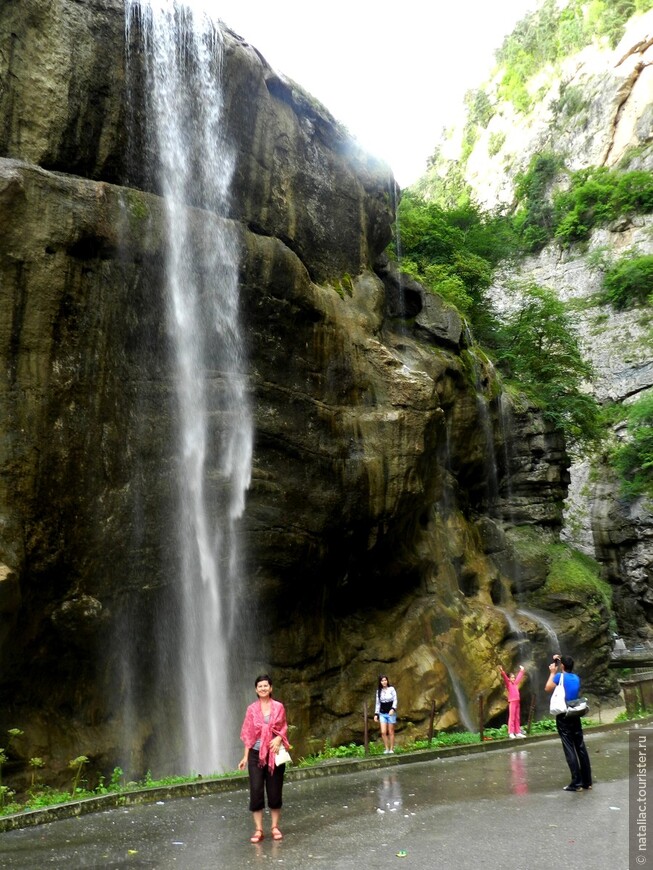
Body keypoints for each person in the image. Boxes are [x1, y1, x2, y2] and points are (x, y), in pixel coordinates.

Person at [238, 674, 290, 843]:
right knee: (256, 790)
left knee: (275, 791)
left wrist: (279, 738)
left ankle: (274, 827)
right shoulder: (251, 709)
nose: (263, 688)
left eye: (266, 686)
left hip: (273, 753)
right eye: (260, 686)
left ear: (271, 688)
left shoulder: (278, 707)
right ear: (256, 689)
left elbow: (283, 727)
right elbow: (248, 734)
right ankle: (259, 829)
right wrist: (245, 757)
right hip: (255, 754)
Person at [545, 654, 593, 792]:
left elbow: (548, 688)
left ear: (563, 666)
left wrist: (552, 672)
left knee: (569, 748)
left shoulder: (559, 676)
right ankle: (587, 782)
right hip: (575, 713)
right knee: (580, 747)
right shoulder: (576, 678)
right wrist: (559, 660)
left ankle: (576, 783)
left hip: (563, 715)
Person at [499, 664, 526, 738]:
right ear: (509, 678)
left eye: (514, 677)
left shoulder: (515, 683)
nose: (514, 679)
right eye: (512, 678)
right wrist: (502, 671)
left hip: (517, 701)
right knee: (512, 717)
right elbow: (505, 678)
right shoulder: (509, 684)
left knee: (517, 717)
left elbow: (519, 678)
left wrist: (522, 670)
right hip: (512, 702)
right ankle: (511, 732)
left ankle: (518, 732)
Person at [373, 674, 398, 754]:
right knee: (383, 732)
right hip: (382, 713)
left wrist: (393, 708)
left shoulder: (391, 689)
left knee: (391, 731)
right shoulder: (378, 691)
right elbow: (378, 703)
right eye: (382, 680)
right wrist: (376, 714)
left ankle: (391, 749)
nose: (384, 682)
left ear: (387, 681)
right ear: (380, 682)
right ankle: (386, 748)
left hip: (390, 712)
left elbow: (395, 699)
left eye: (385, 680)